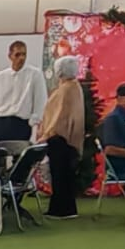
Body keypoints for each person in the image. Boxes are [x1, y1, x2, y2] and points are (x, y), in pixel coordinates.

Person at [36, 55, 85, 220]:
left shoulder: (65, 90)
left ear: (59, 71)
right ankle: (68, 208)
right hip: (70, 139)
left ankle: (60, 210)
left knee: (59, 174)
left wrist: (47, 134)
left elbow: (59, 116)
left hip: (60, 138)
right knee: (66, 175)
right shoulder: (75, 87)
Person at [0, 41, 47, 144]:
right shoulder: (0, 77)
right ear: (10, 56)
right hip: (0, 123)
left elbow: (40, 104)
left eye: (24, 54)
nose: (21, 58)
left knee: (20, 157)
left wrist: (34, 131)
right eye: (17, 55)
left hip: (21, 124)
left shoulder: (35, 75)